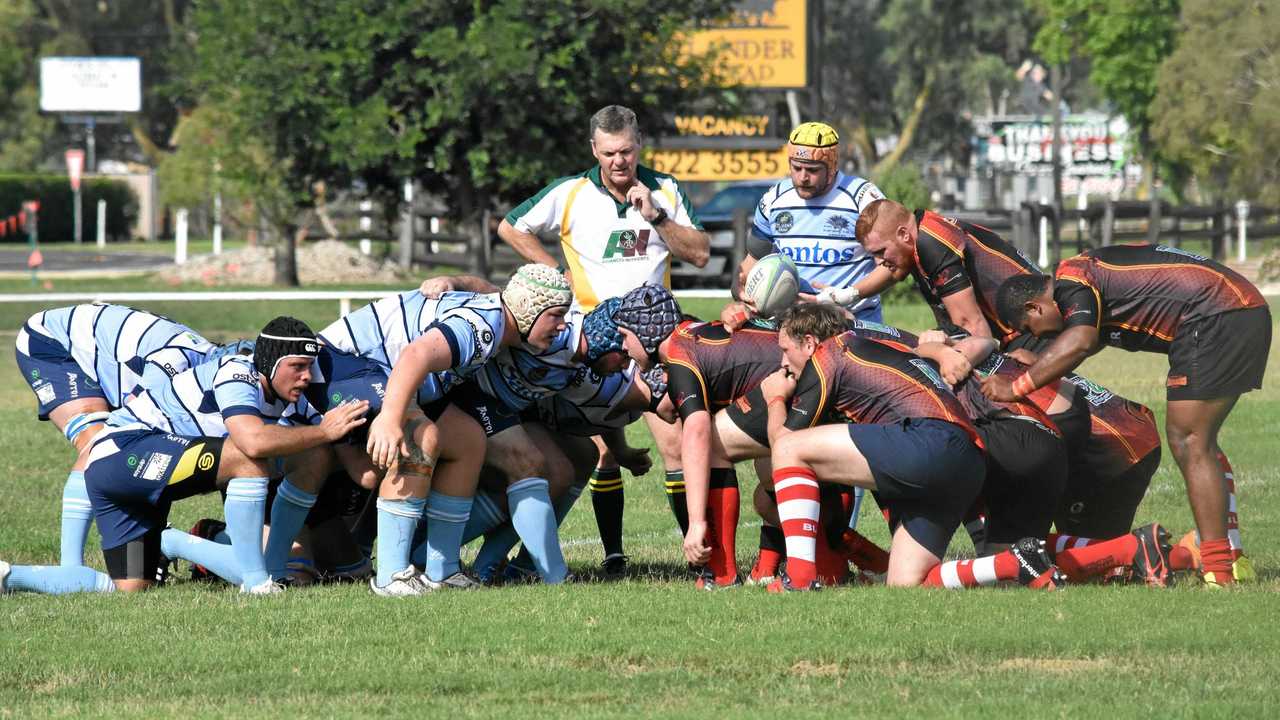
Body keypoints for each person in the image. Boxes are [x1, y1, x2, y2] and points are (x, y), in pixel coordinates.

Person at [1, 317, 368, 595]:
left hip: (137, 474)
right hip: (122, 456)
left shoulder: (285, 399)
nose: (306, 377)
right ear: (269, 363)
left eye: (310, 368)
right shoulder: (237, 373)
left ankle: (10, 577)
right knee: (248, 457)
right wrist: (324, 431)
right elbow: (252, 442)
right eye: (297, 367)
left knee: (130, 587)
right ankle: (258, 582)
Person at [497, 104, 710, 575]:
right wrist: (553, 272)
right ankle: (613, 556)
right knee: (603, 453)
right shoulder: (570, 192)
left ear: (639, 146)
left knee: (675, 445)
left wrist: (656, 218)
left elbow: (698, 254)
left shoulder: (666, 189)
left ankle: (697, 558)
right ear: (594, 149)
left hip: (655, 341)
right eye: (610, 152)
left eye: (628, 152)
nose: (620, 162)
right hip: (592, 343)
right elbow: (510, 226)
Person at [989, 244, 1271, 586]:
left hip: (1217, 313)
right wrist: (1045, 362)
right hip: (1238, 308)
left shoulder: (1071, 280)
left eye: (1030, 327)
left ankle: (1218, 571)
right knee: (1202, 440)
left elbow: (1081, 340)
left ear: (1035, 306)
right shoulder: (1083, 291)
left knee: (1190, 439)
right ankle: (1232, 557)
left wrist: (1017, 387)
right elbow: (1086, 341)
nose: (1038, 336)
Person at [759, 306, 1069, 591]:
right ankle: (1013, 563)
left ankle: (798, 580)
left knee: (789, 449)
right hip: (967, 458)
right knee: (905, 582)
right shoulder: (875, 348)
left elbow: (781, 445)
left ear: (810, 343)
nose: (783, 362)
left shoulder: (831, 353)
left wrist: (775, 399)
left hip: (930, 440)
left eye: (786, 350)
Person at [321, 264, 574, 590]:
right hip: (344, 361)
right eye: (555, 314)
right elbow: (416, 354)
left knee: (468, 441)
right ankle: (390, 576)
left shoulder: (498, 309)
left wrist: (455, 279)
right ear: (528, 309)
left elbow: (482, 284)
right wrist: (390, 417)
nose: (562, 324)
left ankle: (442, 569)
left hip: (390, 372)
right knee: (420, 438)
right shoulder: (483, 328)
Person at [14, 303, 243, 569]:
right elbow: (130, 429)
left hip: (116, 352)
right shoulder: (174, 364)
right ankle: (71, 568)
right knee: (99, 444)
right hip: (52, 344)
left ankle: (175, 544)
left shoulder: (218, 376)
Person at [722, 121, 893, 327]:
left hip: (853, 322)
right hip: (793, 326)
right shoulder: (773, 200)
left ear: (832, 166)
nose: (803, 177)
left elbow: (890, 267)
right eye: (797, 167)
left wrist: (848, 295)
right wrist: (739, 292)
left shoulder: (863, 198)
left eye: (812, 170)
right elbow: (750, 265)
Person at [853, 198, 1043, 342]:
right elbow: (956, 329)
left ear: (903, 234)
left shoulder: (931, 244)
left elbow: (972, 328)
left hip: (1037, 324)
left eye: (880, 252)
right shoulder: (917, 239)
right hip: (1026, 327)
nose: (878, 263)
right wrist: (844, 295)